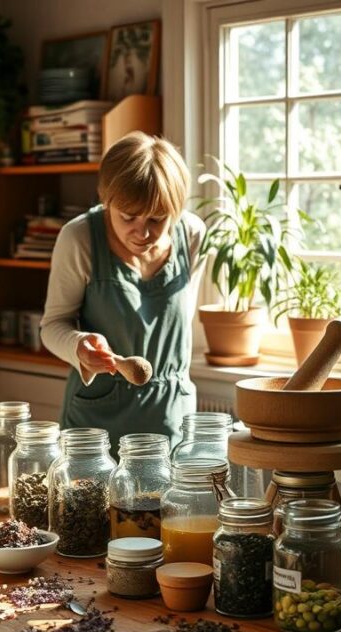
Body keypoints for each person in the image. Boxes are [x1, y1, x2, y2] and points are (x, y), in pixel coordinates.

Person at [40, 132, 206, 452]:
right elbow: (52, 325)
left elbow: (179, 325)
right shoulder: (79, 239)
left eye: (158, 219)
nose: (143, 233)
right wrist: (79, 347)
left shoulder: (192, 235)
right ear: (107, 201)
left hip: (170, 418)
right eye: (128, 217)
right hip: (95, 428)